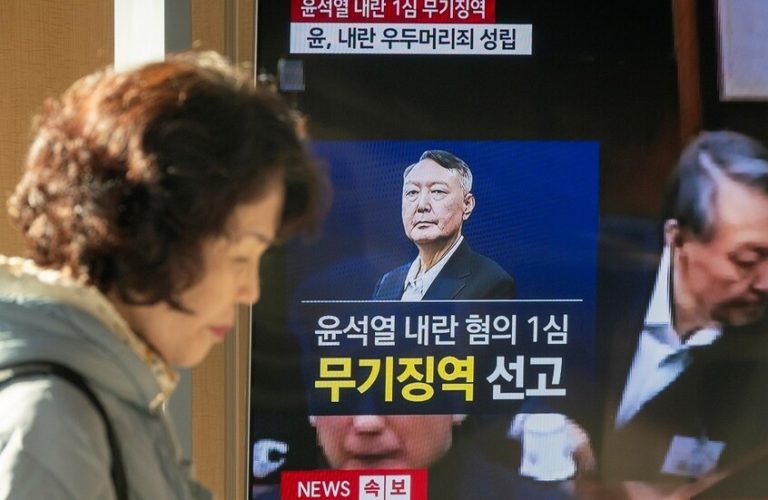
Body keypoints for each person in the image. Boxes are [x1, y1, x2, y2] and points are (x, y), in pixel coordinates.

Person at [0, 51, 324, 499]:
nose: (250, 291)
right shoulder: (53, 420)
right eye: (240, 256)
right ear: (152, 231)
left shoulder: (109, 394)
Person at [598, 130, 768, 495]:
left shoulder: (756, 355)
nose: (766, 283)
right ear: (677, 240)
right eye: (746, 260)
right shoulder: (593, 273)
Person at [372, 150, 515, 301]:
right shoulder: (387, 284)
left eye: (437, 191)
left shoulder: (491, 283)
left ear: (467, 205)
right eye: (412, 192)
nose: (422, 205)